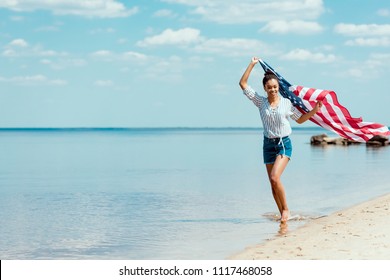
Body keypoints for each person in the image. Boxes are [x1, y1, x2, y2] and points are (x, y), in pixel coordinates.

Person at [239, 57, 322, 223]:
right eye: (269, 87)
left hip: (283, 144)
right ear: (264, 88)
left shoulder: (286, 103)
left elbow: (299, 119)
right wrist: (252, 64)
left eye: (275, 87)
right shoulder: (260, 102)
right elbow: (243, 83)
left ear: (278, 87)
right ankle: (282, 213)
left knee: (275, 178)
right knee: (272, 184)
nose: (273, 90)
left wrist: (314, 110)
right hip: (267, 144)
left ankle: (286, 210)